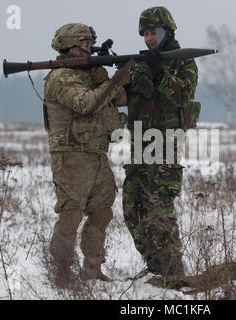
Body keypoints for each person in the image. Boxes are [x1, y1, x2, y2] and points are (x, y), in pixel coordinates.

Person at [43, 23, 129, 287]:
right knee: (71, 215)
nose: (90, 51)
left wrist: (107, 81)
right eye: (86, 46)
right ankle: (60, 273)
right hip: (71, 155)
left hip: (95, 153)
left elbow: (120, 98)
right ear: (70, 47)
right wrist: (113, 81)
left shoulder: (87, 75)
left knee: (102, 211)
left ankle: (92, 270)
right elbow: (87, 104)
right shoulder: (61, 78)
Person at [123, 7, 199, 277]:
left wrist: (160, 74)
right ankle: (155, 265)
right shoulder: (142, 62)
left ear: (166, 30)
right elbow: (126, 98)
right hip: (139, 144)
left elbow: (182, 95)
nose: (149, 38)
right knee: (132, 207)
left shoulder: (184, 62)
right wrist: (123, 77)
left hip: (164, 144)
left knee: (159, 208)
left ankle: (174, 270)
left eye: (153, 32)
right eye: (145, 33)